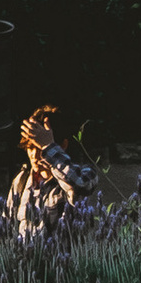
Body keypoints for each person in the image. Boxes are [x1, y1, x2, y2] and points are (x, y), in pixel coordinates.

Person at [6, 101, 83, 242]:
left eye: (39, 148)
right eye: (30, 148)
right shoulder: (22, 180)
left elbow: (83, 184)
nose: (34, 155)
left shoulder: (70, 179)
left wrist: (48, 146)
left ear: (63, 145)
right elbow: (5, 226)